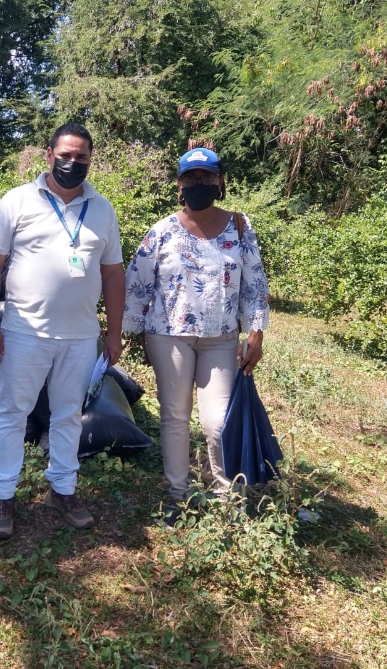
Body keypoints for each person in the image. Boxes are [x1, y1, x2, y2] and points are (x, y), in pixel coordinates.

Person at [0, 123, 124, 539]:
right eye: (65, 155)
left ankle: (62, 489)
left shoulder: (102, 209)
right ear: (48, 154)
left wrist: (113, 335)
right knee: (12, 414)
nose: (71, 163)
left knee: (68, 416)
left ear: (90, 160)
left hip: (80, 336)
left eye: (81, 157)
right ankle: (2, 497)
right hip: (25, 331)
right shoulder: (18, 202)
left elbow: (113, 275)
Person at [123, 146, 270, 524]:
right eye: (191, 178)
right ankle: (179, 496)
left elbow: (254, 283)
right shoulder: (162, 231)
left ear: (220, 182)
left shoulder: (240, 226)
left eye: (207, 178)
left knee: (218, 420)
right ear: (179, 185)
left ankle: (226, 497)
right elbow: (138, 283)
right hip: (168, 336)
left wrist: (256, 332)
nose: (199, 184)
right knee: (175, 416)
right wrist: (130, 333)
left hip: (221, 337)